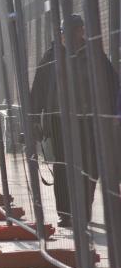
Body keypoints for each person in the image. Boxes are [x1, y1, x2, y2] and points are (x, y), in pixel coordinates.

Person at [30, 14, 118, 227]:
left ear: (81, 31)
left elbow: (114, 85)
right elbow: (38, 90)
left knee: (90, 166)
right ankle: (66, 213)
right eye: (64, 32)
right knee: (63, 165)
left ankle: (84, 208)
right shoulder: (50, 57)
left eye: (75, 31)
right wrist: (33, 120)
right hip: (60, 122)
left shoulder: (95, 56)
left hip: (89, 121)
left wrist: (115, 115)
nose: (69, 36)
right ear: (60, 34)